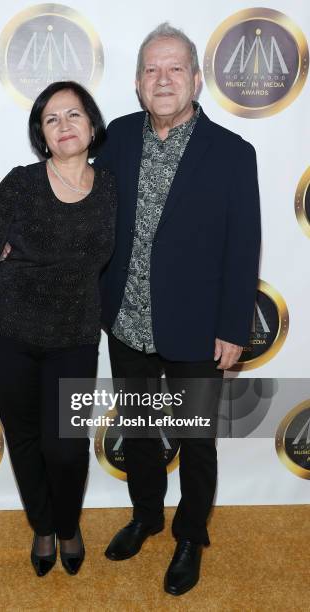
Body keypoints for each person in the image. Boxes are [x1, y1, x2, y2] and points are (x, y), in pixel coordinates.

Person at [94, 23, 261, 596]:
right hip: (126, 319)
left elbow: (244, 246)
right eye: (151, 69)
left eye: (174, 69)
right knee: (139, 430)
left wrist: (233, 327)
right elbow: (78, 200)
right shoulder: (114, 137)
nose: (162, 80)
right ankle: (146, 516)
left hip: (196, 325)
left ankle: (191, 534)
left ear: (195, 78)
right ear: (138, 83)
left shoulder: (234, 154)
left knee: (194, 439)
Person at [0, 81, 116, 578]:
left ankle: (69, 524)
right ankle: (44, 527)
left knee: (66, 445)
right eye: (52, 119)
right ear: (41, 134)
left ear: (92, 125)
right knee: (26, 440)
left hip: (73, 338)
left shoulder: (113, 187)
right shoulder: (21, 183)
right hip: (9, 335)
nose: (65, 125)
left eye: (74, 114)